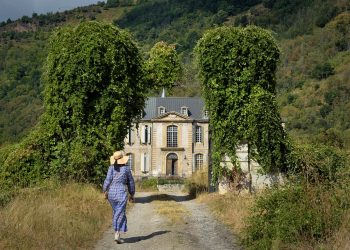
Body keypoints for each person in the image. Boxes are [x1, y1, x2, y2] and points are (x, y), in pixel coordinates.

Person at [103, 151, 135, 243]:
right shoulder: (126, 169)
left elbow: (107, 180)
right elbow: (131, 182)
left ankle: (118, 233)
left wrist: (104, 190)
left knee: (117, 212)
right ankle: (117, 232)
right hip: (121, 193)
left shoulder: (111, 168)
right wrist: (132, 194)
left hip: (111, 195)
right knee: (120, 212)